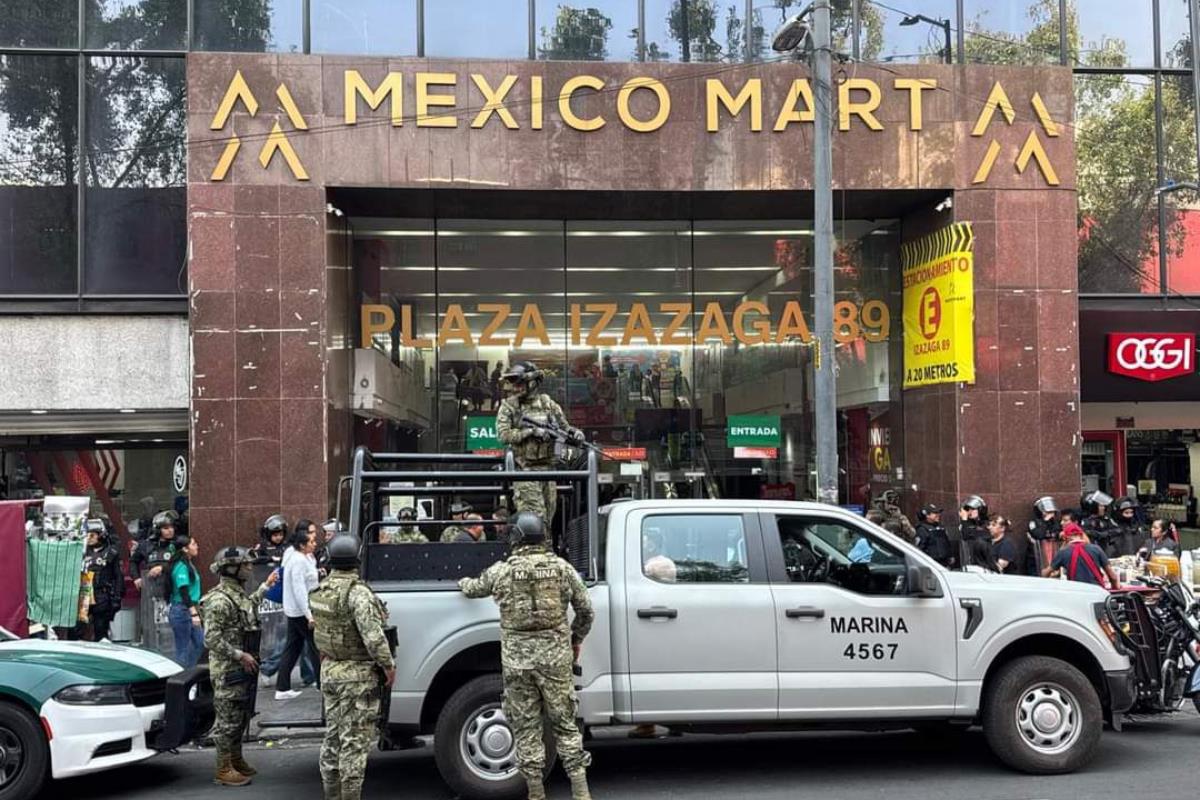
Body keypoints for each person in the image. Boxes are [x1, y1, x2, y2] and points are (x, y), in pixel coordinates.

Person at [459, 513, 595, 800]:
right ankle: (581, 792)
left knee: (527, 727)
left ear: (516, 537)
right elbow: (586, 610)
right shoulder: (562, 568)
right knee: (565, 724)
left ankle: (535, 792)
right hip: (555, 658)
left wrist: (462, 582)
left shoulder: (503, 570)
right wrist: (575, 640)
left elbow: (474, 589)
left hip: (517, 662)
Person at [311, 535, 396, 800]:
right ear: (357, 559)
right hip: (357, 678)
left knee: (333, 740)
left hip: (331, 673)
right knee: (354, 744)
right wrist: (388, 666)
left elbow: (320, 634)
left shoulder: (320, 591)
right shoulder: (359, 594)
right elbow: (373, 638)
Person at [202, 546, 280, 786]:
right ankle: (223, 768)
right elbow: (211, 639)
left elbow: (248, 607)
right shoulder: (218, 599)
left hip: (241, 668)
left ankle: (236, 759)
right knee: (227, 721)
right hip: (228, 670)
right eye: (245, 565)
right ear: (232, 568)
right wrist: (239, 655)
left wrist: (266, 586)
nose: (249, 568)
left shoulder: (236, 594)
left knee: (240, 716)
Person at [496, 361, 582, 521]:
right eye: (514, 383)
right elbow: (504, 435)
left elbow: (564, 427)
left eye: (521, 383)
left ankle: (546, 547)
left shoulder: (547, 404)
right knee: (534, 517)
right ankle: (535, 546)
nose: (516, 387)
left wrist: (575, 433)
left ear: (533, 382)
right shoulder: (509, 406)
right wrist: (531, 432)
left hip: (548, 470)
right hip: (526, 472)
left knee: (548, 517)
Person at [275, 522, 321, 700]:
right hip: (300, 611)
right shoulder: (297, 560)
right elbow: (299, 590)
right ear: (302, 545)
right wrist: (309, 614)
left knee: (293, 647)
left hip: (297, 610)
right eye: (311, 541)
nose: (314, 544)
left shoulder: (305, 558)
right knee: (315, 645)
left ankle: (282, 687)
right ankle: (320, 682)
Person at [165, 534, 205, 668]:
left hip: (189, 608)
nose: (196, 546)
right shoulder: (181, 566)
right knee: (183, 649)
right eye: (193, 544)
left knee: (200, 643)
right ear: (185, 549)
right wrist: (193, 613)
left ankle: (189, 671)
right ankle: (180, 677)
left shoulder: (188, 564)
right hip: (182, 610)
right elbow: (184, 592)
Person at [80, 519, 123, 642]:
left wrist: (117, 598)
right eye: (86, 534)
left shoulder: (110, 553)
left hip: (102, 595)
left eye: (92, 535)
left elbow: (118, 576)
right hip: (83, 595)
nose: (89, 538)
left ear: (101, 535)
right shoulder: (80, 552)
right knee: (78, 629)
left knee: (101, 629)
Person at [1044, 522, 1119, 588]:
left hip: (1078, 592)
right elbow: (1112, 576)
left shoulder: (1063, 553)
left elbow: (1045, 573)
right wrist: (1115, 587)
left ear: (1066, 538)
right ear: (1081, 535)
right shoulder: (1096, 549)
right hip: (1097, 590)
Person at [131, 511, 176, 589]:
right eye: (166, 528)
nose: (170, 530)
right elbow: (133, 561)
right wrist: (136, 578)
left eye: (172, 527)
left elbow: (181, 563)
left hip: (173, 588)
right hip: (152, 589)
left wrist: (162, 568)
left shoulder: (177, 544)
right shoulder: (146, 545)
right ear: (157, 530)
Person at [1026, 496, 1062, 576]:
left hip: (1053, 553)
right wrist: (1045, 522)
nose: (1051, 514)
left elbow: (1058, 533)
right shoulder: (1034, 523)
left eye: (1052, 512)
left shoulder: (1055, 523)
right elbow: (1039, 535)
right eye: (1048, 512)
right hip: (1038, 556)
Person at [958, 496, 990, 567]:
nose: (969, 512)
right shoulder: (970, 523)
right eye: (968, 510)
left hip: (984, 563)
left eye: (972, 509)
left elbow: (966, 535)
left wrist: (964, 519)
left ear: (980, 510)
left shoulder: (986, 525)